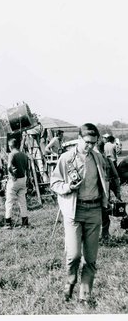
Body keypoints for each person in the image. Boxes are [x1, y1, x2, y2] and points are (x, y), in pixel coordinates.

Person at [50, 123, 108, 305]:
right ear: (79, 138)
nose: (90, 146)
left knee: (90, 259)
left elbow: (107, 179)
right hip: (74, 211)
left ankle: (85, 296)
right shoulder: (66, 158)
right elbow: (54, 183)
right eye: (88, 142)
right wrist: (68, 187)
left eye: (94, 143)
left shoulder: (98, 158)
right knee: (74, 255)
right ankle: (70, 282)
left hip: (94, 211)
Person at [97, 141, 122, 243]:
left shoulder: (107, 160)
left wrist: (117, 192)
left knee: (105, 215)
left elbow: (115, 177)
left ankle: (105, 236)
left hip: (104, 192)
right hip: (93, 193)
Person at [3, 137, 31, 229]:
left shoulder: (12, 154)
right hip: (23, 179)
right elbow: (28, 169)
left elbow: (9, 167)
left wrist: (12, 174)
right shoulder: (24, 155)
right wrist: (28, 179)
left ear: (10, 146)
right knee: (22, 202)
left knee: (9, 202)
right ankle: (25, 223)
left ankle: (8, 223)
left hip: (14, 180)